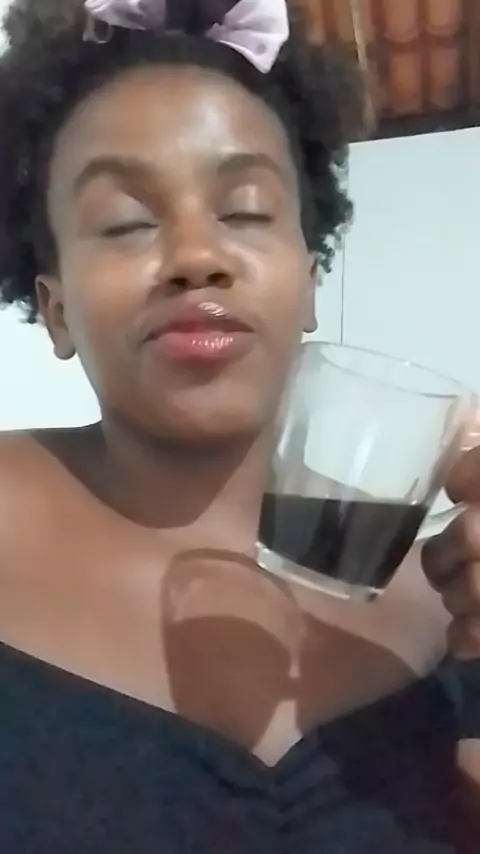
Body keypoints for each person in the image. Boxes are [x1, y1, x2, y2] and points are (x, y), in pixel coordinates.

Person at [0, 0, 479, 851]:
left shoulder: (447, 591)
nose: (196, 256)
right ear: (57, 308)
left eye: (247, 210)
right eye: (125, 222)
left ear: (310, 280)